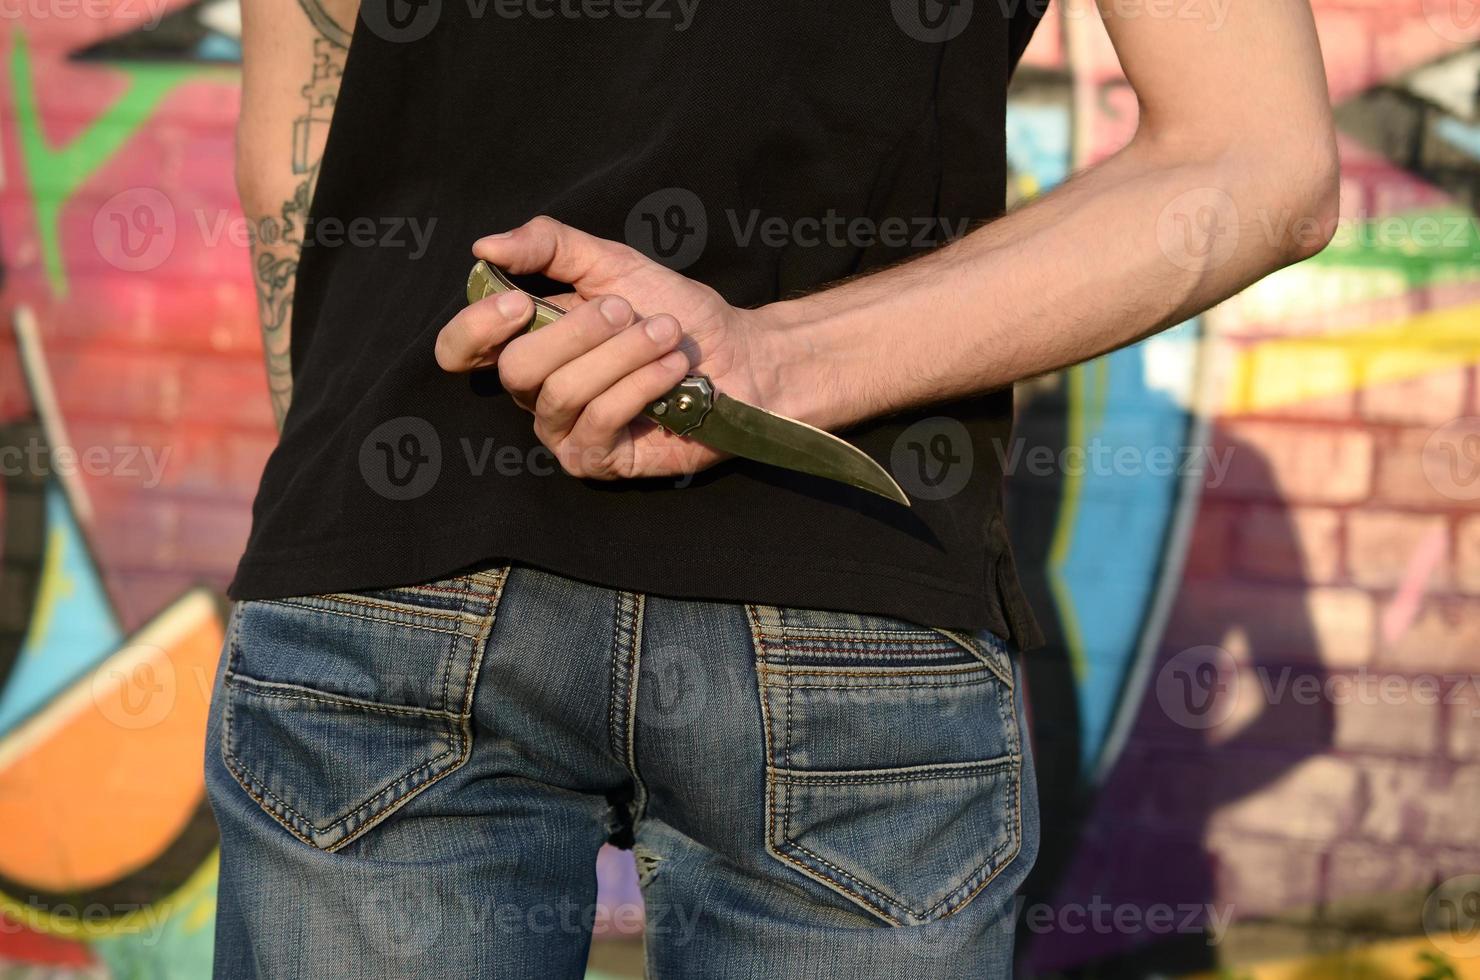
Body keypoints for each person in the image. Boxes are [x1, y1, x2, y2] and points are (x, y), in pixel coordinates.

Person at [205, 0, 1338, 976]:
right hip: (849, 589)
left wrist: (342, 511)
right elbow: (1253, 159)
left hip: (394, 547)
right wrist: (782, 362)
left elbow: (300, 132)